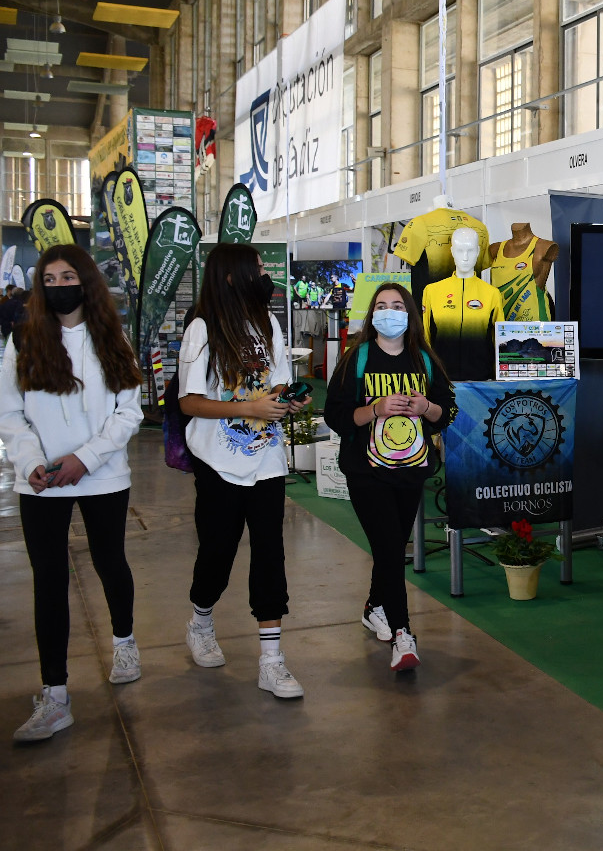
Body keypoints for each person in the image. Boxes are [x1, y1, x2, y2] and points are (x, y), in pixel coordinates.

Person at [0, 246, 144, 741]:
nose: (59, 285)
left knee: (110, 561)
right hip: (40, 480)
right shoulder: (23, 338)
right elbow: (9, 411)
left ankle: (124, 639)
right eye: (50, 277)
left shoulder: (112, 338)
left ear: (85, 282)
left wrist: (87, 458)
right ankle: (55, 694)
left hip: (101, 475)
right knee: (49, 581)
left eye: (68, 276)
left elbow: (128, 411)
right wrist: (31, 463)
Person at [177, 243, 311, 699]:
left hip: (267, 456)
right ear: (231, 275)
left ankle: (271, 660)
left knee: (270, 553)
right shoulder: (202, 328)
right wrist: (247, 405)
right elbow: (189, 402)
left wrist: (285, 399)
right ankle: (201, 619)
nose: (263, 273)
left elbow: (274, 379)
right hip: (218, 461)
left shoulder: (267, 322)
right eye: (256, 267)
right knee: (218, 551)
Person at [324, 282, 455, 672]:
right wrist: (375, 409)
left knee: (391, 546)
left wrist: (427, 406)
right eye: (382, 305)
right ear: (372, 314)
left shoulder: (425, 361)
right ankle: (403, 634)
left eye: (397, 305)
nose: (390, 312)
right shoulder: (356, 360)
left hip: (412, 471)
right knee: (389, 549)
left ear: (409, 313)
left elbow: (447, 413)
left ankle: (373, 606)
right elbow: (335, 416)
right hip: (366, 472)